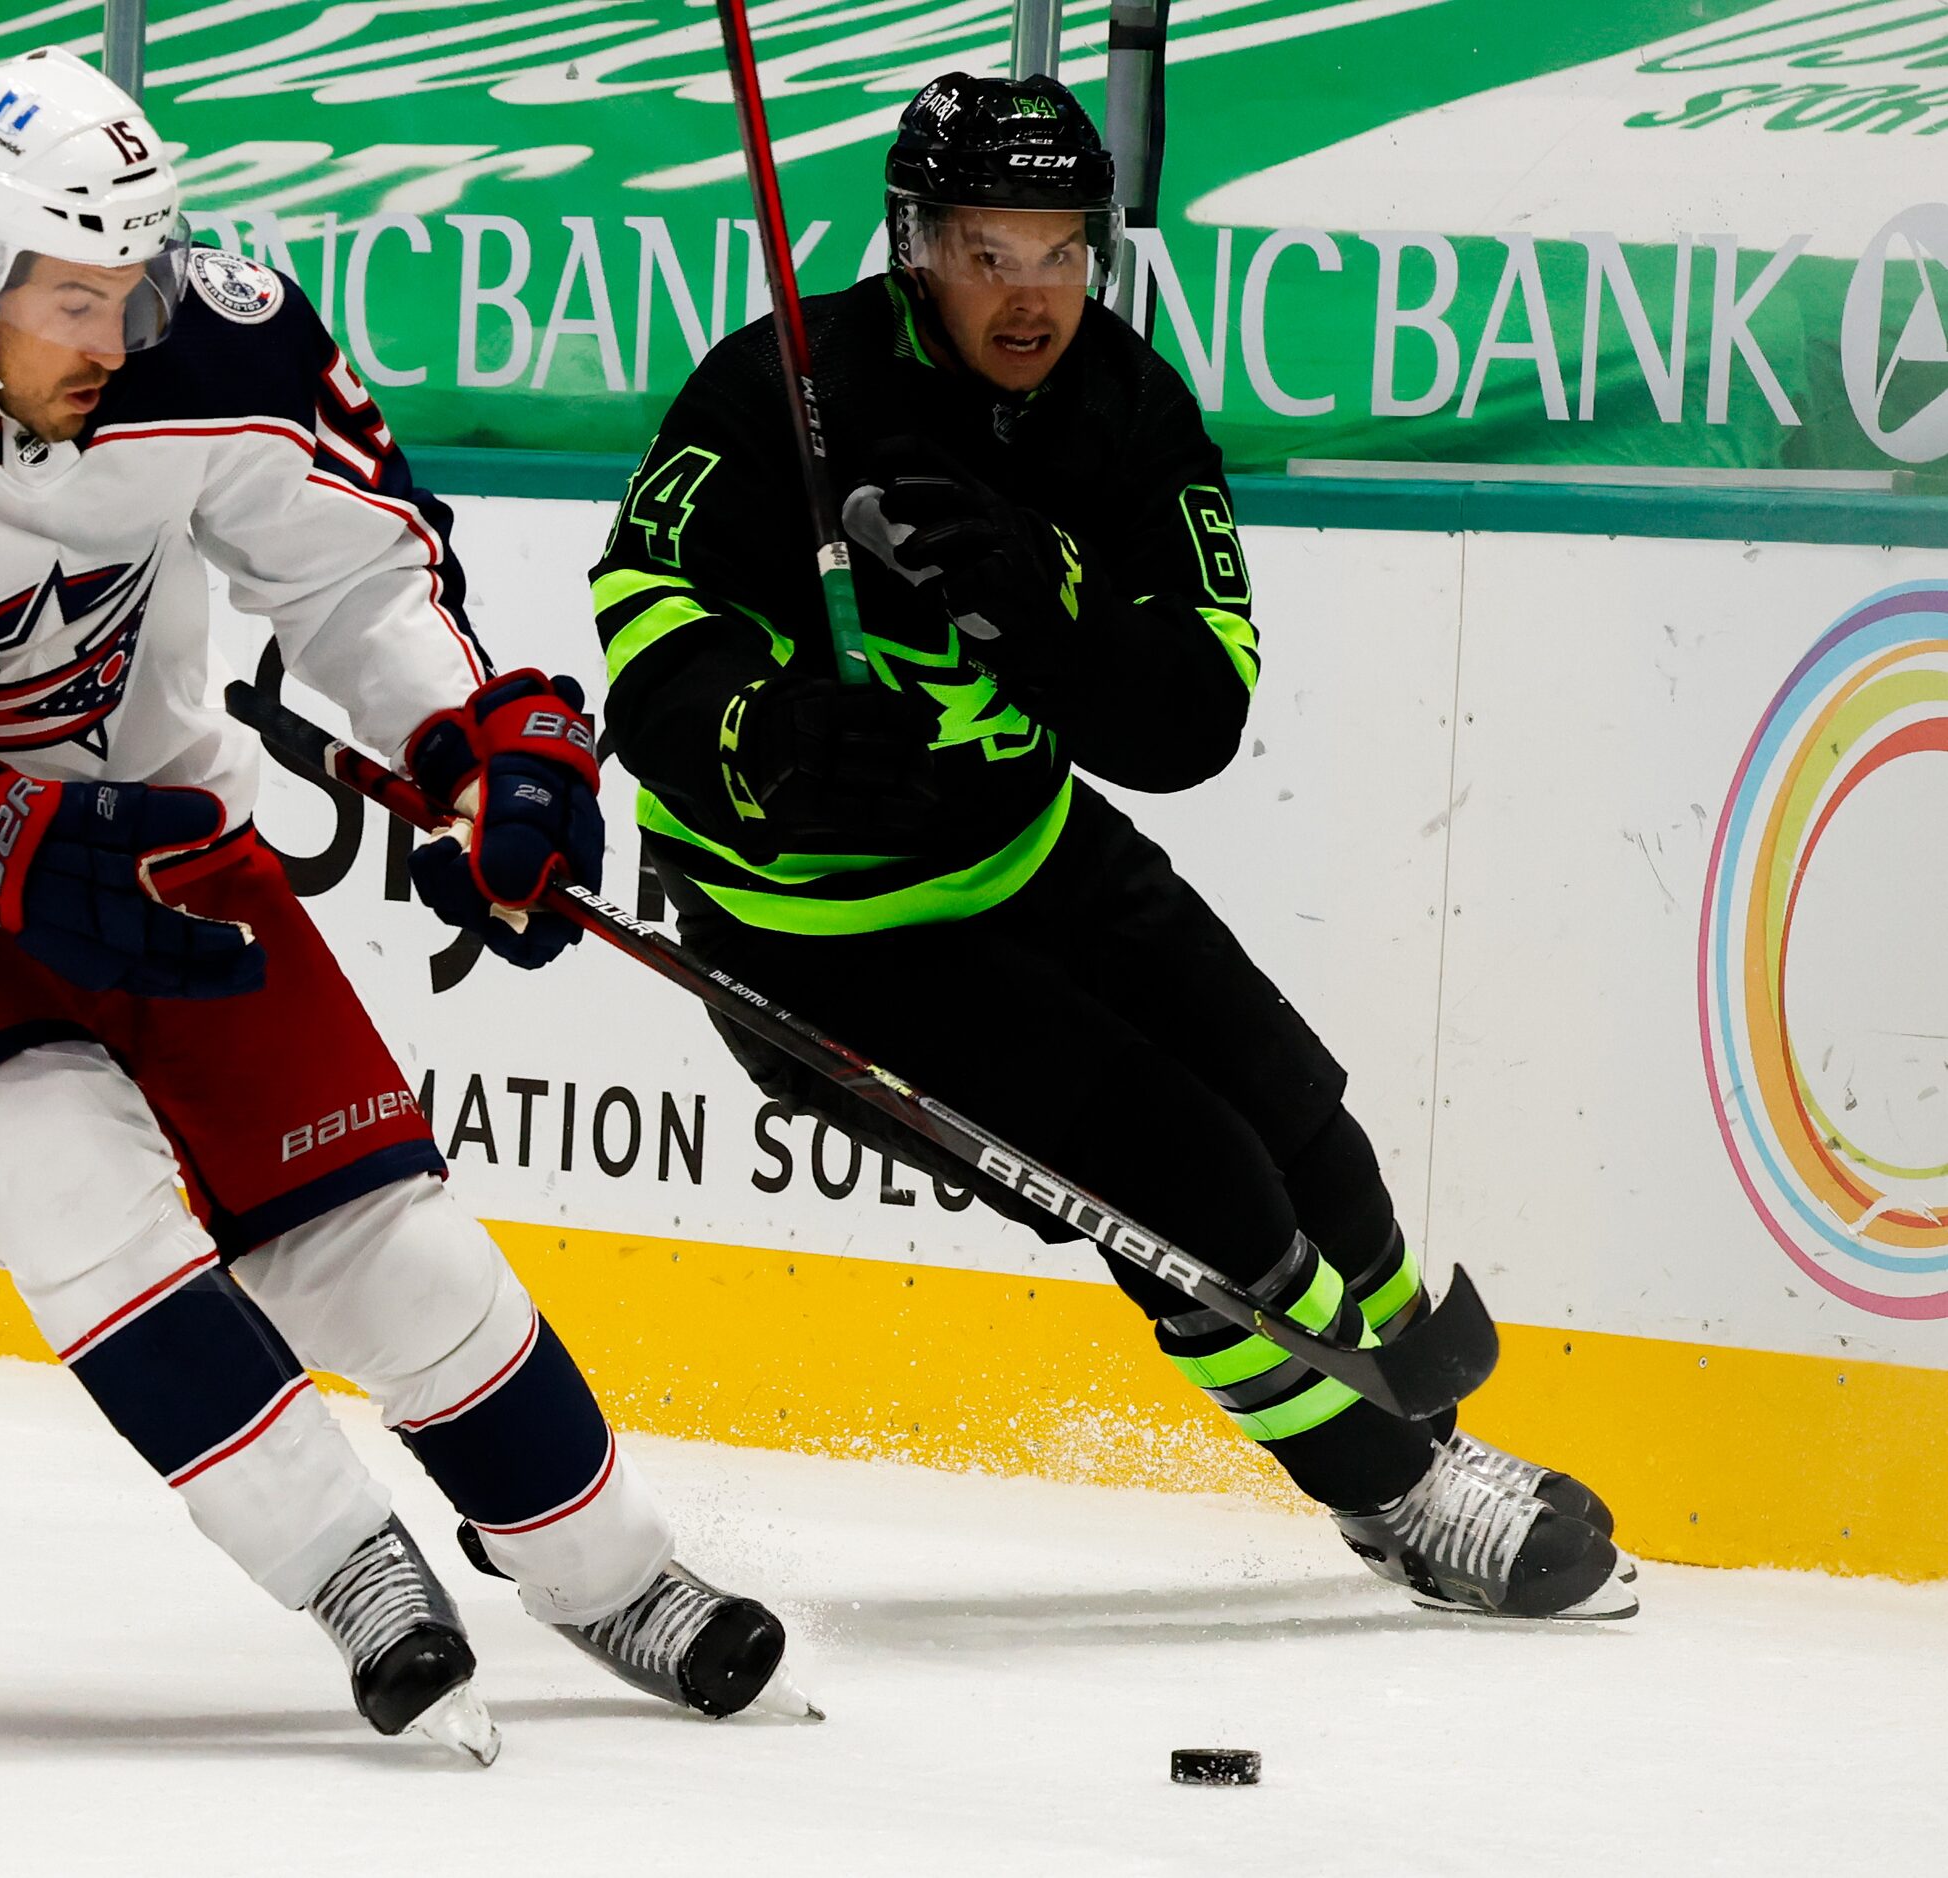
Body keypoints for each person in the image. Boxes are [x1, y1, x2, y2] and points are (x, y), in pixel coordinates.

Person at [0, 47, 811, 1759]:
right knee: (65, 1186)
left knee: (386, 1248)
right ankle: (355, 1577)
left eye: (137, 286)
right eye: (74, 300)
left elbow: (357, 573)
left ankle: (615, 1573)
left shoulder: (224, 344)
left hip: (169, 841)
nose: (117, 340)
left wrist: (467, 738)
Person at [590, 71, 1633, 1620]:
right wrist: (768, 742)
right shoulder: (779, 388)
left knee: (1306, 1134)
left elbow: (1193, 715)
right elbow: (647, 622)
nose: (1032, 297)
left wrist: (1051, 615)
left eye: (1062, 252)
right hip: (819, 928)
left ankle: (1415, 1431)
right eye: (990, 255)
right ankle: (1403, 1498)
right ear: (912, 245)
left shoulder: (1128, 414)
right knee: (1193, 1186)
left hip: (1028, 845)